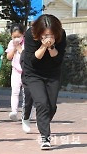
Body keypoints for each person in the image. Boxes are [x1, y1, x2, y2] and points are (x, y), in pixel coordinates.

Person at [22, 14, 66, 150]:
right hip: (33, 73)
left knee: (51, 107)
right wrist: (43, 46)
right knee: (42, 103)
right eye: (45, 34)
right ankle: (45, 138)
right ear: (39, 32)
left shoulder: (61, 35)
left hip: (52, 73)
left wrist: (52, 47)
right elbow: (33, 60)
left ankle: (42, 120)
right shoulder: (30, 34)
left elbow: (58, 60)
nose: (48, 37)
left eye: (51, 34)